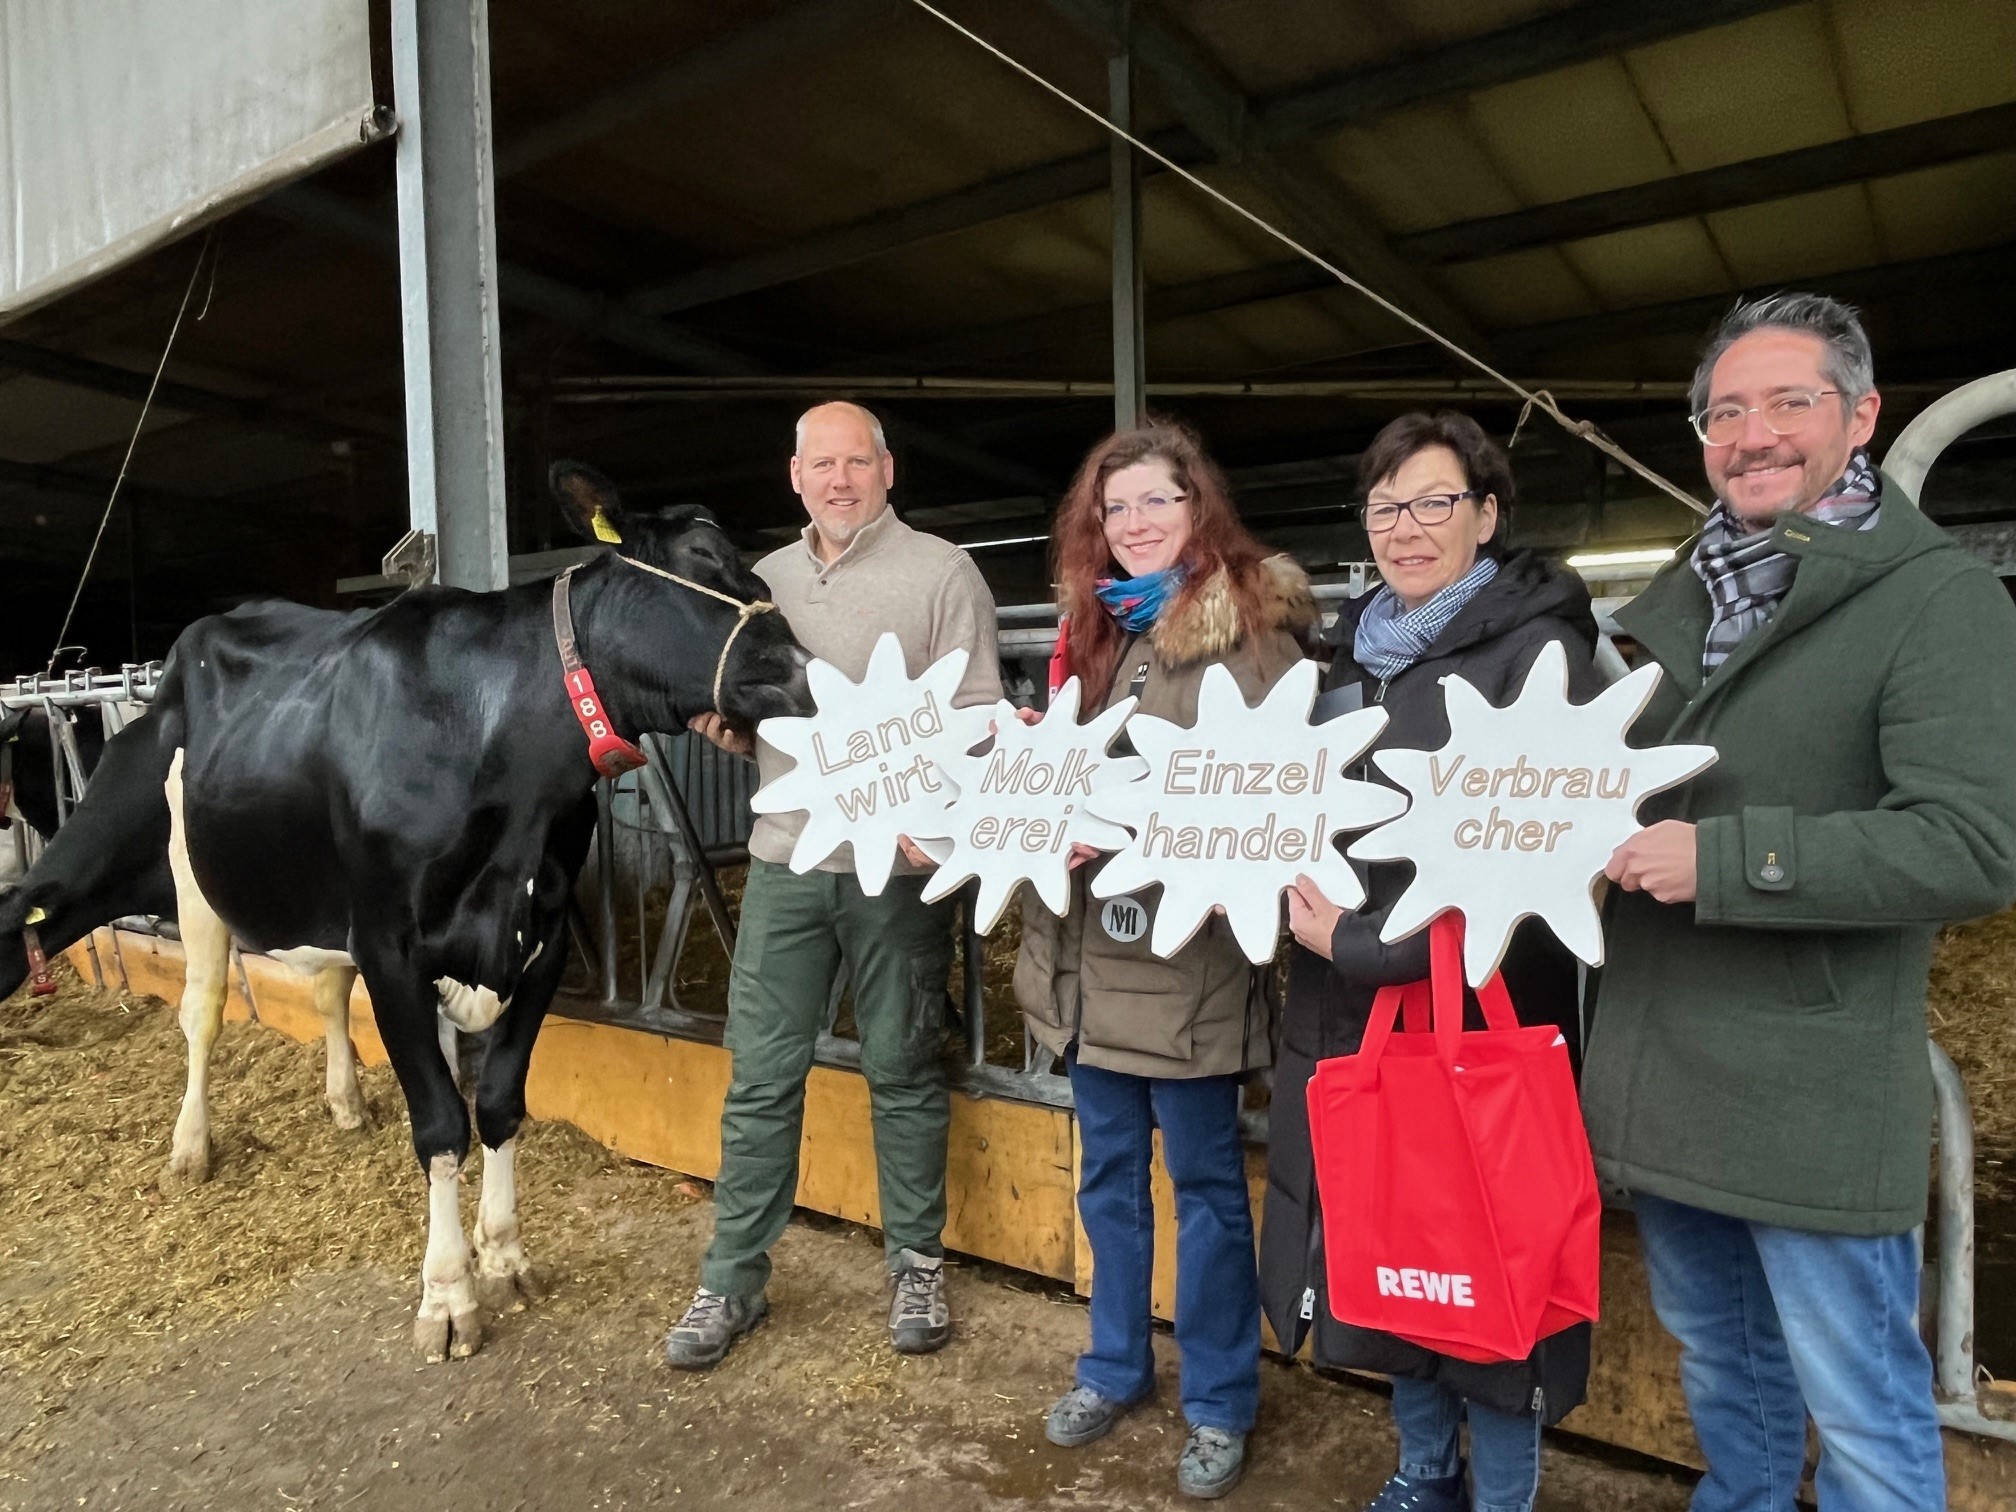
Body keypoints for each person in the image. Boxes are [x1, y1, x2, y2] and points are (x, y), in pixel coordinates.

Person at [1592, 293, 2016, 1510]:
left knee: (1863, 1402)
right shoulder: (1690, 598)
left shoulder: (1939, 602)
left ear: (1862, 415)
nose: (1754, 435)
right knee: (1726, 1370)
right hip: (1671, 1070)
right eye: (1726, 414)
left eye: (1790, 402)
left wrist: (1726, 864)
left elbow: (1972, 847)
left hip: (1809, 1086)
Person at [1260, 412, 1601, 1512]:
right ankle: (1422, 1473)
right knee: (1389, 1240)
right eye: (1386, 506)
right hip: (1353, 1008)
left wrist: (1358, 944)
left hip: (1480, 1005)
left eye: (1435, 502)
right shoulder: (1349, 657)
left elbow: (1522, 857)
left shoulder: (1537, 653)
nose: (1406, 527)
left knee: (1487, 1256)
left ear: (1487, 515)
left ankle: (1499, 1495)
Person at [1014, 418, 1315, 1500]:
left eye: (1157, 502)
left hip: (1185, 965)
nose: (1135, 523)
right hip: (1088, 966)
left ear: (1199, 510)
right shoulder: (1093, 635)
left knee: (1205, 1189)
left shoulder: (1251, 640)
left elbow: (1268, 800)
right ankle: (1114, 1365)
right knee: (1106, 1179)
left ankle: (1222, 1398)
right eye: (1117, 507)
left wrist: (1122, 828)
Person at [667, 400, 1002, 1368]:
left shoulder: (943, 572)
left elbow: (979, 712)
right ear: (796, 476)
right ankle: (733, 1276)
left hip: (896, 867)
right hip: (787, 859)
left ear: (888, 471)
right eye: (824, 464)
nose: (841, 480)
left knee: (903, 1063)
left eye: (858, 462)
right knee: (762, 1072)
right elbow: (753, 717)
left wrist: (938, 823)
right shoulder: (763, 584)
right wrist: (728, 731)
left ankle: (916, 1262)